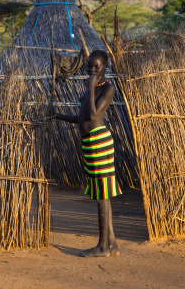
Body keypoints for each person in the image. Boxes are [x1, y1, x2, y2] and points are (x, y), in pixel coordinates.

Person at [54, 50, 122, 257]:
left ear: (105, 68)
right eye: (90, 66)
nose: (92, 70)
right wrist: (59, 116)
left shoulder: (108, 89)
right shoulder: (90, 90)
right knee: (102, 194)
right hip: (89, 142)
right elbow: (83, 118)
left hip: (99, 141)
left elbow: (94, 114)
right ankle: (111, 245)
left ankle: (102, 247)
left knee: (102, 194)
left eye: (97, 67)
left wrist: (91, 88)